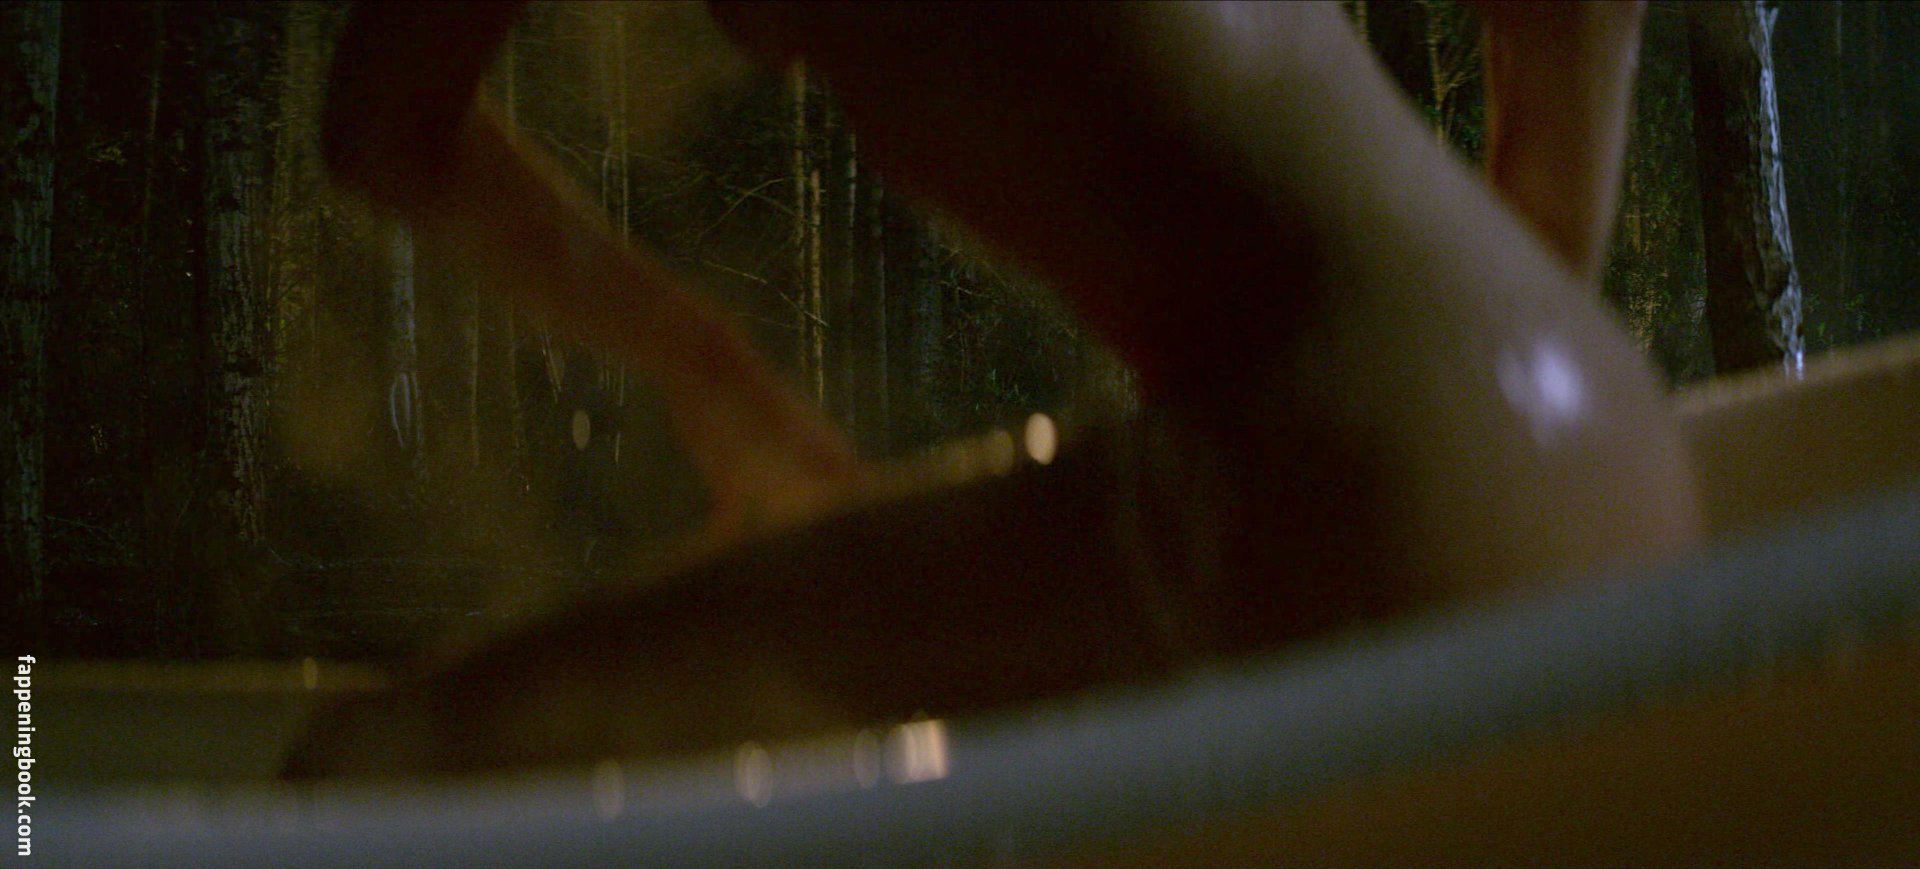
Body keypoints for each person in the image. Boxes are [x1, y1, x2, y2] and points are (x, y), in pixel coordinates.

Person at [287, 1, 1701, 778]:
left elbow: (382, 129)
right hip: (1593, 434)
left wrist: (707, 374)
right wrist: (1510, 431)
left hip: (1336, 471)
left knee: (374, 760)